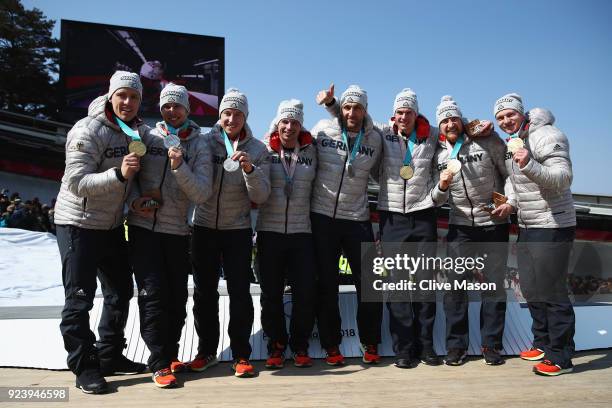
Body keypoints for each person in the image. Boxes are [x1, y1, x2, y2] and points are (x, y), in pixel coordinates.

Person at [319, 86, 442, 368]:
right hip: (390, 216)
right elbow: (352, 117)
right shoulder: (381, 132)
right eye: (399, 112)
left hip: (423, 214)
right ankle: (403, 349)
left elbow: (455, 131)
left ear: (416, 113)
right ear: (393, 114)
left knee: (424, 285)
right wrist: (331, 103)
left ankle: (426, 346)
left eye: (408, 112)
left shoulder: (432, 134)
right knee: (396, 285)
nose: (403, 117)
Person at [53, 71, 148, 394]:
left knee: (120, 292)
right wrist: (118, 176)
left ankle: (110, 356)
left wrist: (135, 202)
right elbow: (77, 183)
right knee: (79, 299)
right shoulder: (87, 129)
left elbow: (132, 181)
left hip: (109, 225)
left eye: (134, 97)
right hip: (77, 224)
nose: (127, 102)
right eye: (122, 95)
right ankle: (84, 366)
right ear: (111, 97)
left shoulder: (135, 130)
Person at [127, 83, 212, 387]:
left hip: (177, 230)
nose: (172, 111)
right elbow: (129, 176)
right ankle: (159, 361)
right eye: (167, 106)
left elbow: (202, 193)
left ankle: (171, 353)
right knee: (153, 295)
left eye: (178, 106)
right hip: (143, 229)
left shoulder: (199, 145)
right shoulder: (146, 135)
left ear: (188, 110)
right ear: (160, 109)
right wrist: (135, 201)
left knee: (177, 298)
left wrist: (179, 167)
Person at [189, 88, 271, 378]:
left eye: (238, 114)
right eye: (227, 113)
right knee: (204, 293)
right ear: (219, 115)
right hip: (203, 226)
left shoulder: (260, 149)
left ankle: (241, 354)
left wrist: (249, 169)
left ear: (246, 117)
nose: (231, 118)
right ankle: (206, 351)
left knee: (239, 293)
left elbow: (261, 196)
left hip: (237, 229)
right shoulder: (203, 141)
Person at [494, 93, 576, 376]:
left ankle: (562, 356)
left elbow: (563, 178)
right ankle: (542, 342)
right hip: (527, 224)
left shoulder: (548, 135)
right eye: (501, 117)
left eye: (510, 115)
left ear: (522, 114)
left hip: (553, 224)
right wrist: (509, 203)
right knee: (530, 287)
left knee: (552, 290)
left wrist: (529, 163)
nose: (505, 121)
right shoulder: (512, 142)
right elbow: (514, 183)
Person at [430, 96, 515, 366]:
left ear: (461, 120)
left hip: (493, 224)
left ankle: (492, 346)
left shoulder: (486, 140)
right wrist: (442, 187)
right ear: (439, 125)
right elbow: (435, 199)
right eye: (444, 120)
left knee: (492, 288)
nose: (450, 123)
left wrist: (507, 203)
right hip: (460, 226)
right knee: (454, 288)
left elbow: (510, 175)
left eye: (453, 118)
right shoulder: (438, 153)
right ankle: (456, 347)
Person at [312, 85, 383, 365]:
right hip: (322, 216)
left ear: (365, 110)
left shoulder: (375, 138)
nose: (352, 112)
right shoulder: (322, 129)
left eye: (358, 107)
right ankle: (331, 345)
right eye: (347, 107)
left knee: (369, 283)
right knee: (326, 284)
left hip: (357, 218)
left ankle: (371, 341)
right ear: (340, 109)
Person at [255, 99, 317, 369]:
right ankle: (276, 345)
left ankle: (300, 345)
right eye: (284, 121)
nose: (289, 127)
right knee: (271, 295)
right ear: (277, 123)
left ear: (301, 125)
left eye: (294, 122)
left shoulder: (313, 151)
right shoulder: (263, 149)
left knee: (305, 293)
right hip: (269, 232)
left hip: (302, 233)